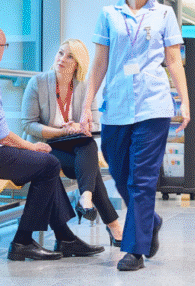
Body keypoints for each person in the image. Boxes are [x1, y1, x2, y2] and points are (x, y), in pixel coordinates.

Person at [0, 25, 104, 261]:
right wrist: (32, 147)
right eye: (4, 47)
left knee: (45, 163)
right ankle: (22, 241)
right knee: (47, 164)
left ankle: (66, 238)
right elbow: (2, 135)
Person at [81, 0, 190, 272]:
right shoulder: (108, 15)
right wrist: (87, 103)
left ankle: (134, 249)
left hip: (153, 103)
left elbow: (173, 60)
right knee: (120, 172)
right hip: (116, 105)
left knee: (142, 180)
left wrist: (184, 100)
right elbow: (100, 61)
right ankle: (150, 221)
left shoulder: (165, 14)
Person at [20, 39, 123, 248]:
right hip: (45, 147)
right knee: (90, 164)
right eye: (60, 53)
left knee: (88, 146)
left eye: (69, 57)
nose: (62, 59)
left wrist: (79, 125)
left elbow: (93, 123)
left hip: (74, 147)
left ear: (78, 63)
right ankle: (112, 224)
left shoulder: (84, 87)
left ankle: (86, 198)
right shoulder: (38, 83)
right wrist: (60, 131)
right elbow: (28, 125)